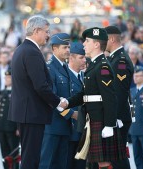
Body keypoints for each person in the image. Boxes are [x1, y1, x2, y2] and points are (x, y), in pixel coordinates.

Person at [63, 27, 127, 168]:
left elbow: (110, 97)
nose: (84, 44)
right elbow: (86, 95)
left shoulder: (102, 66)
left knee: (103, 162)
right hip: (93, 119)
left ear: (97, 44)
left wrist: (110, 124)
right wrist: (68, 102)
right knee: (95, 163)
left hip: (101, 120)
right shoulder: (94, 65)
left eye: (87, 41)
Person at [8, 15, 63, 169]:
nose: (48, 35)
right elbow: (40, 86)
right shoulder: (31, 51)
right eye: (46, 31)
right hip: (31, 113)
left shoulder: (22, 49)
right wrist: (58, 102)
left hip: (27, 112)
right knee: (31, 158)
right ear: (36, 30)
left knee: (28, 156)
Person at [39, 33, 75, 169]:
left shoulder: (64, 67)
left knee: (61, 164)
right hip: (52, 125)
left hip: (64, 126)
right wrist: (71, 114)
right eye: (64, 47)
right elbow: (52, 98)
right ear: (54, 48)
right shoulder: (50, 68)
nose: (68, 50)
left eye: (68, 47)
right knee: (47, 163)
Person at [104, 26, 134, 169]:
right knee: (116, 156)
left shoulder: (120, 61)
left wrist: (113, 117)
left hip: (119, 116)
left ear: (111, 39)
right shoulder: (115, 59)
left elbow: (120, 94)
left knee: (118, 157)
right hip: (118, 115)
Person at [66, 42, 86, 169]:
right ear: (71, 58)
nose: (85, 60)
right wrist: (71, 114)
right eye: (81, 57)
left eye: (85, 57)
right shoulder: (64, 76)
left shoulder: (85, 76)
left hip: (83, 131)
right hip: (69, 129)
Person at [0, 68, 20, 169]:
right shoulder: (3, 91)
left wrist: (19, 127)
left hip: (12, 127)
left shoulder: (17, 92)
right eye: (6, 77)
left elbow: (19, 111)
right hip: (2, 126)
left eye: (9, 77)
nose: (6, 79)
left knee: (13, 152)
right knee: (4, 152)